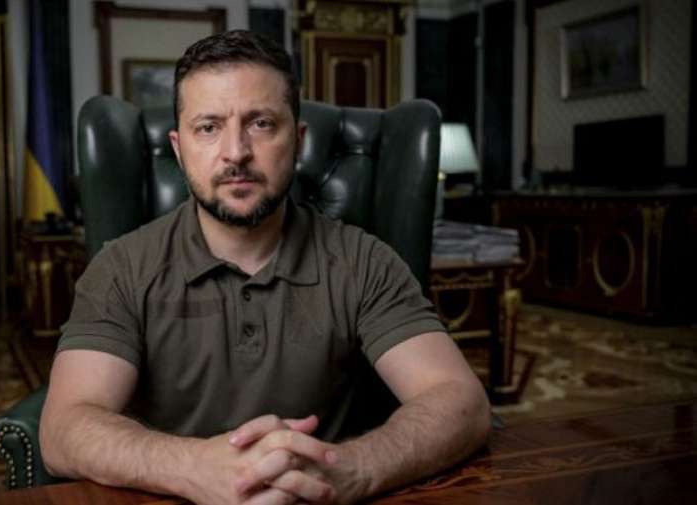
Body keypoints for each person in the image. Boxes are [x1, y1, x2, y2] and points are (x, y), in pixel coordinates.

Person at [40, 30, 490, 504]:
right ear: (178, 147)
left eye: (261, 123)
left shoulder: (364, 260)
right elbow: (63, 428)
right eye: (208, 127)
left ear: (298, 141)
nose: (236, 152)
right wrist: (193, 468)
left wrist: (352, 469)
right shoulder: (120, 268)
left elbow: (461, 401)